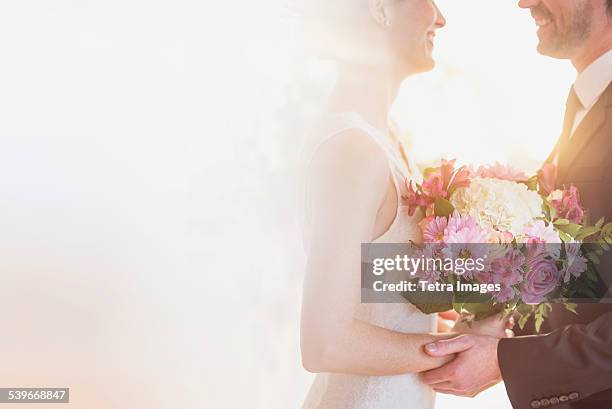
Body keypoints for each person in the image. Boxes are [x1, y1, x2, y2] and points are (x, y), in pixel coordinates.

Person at [298, 1, 510, 408]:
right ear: (380, 9)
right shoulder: (354, 148)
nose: (441, 17)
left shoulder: (384, 137)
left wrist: (462, 310)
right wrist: (459, 348)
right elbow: (325, 342)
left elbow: (370, 295)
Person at [422, 1, 612, 408]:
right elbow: (591, 269)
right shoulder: (583, 101)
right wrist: (498, 321)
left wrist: (507, 363)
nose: (525, 2)